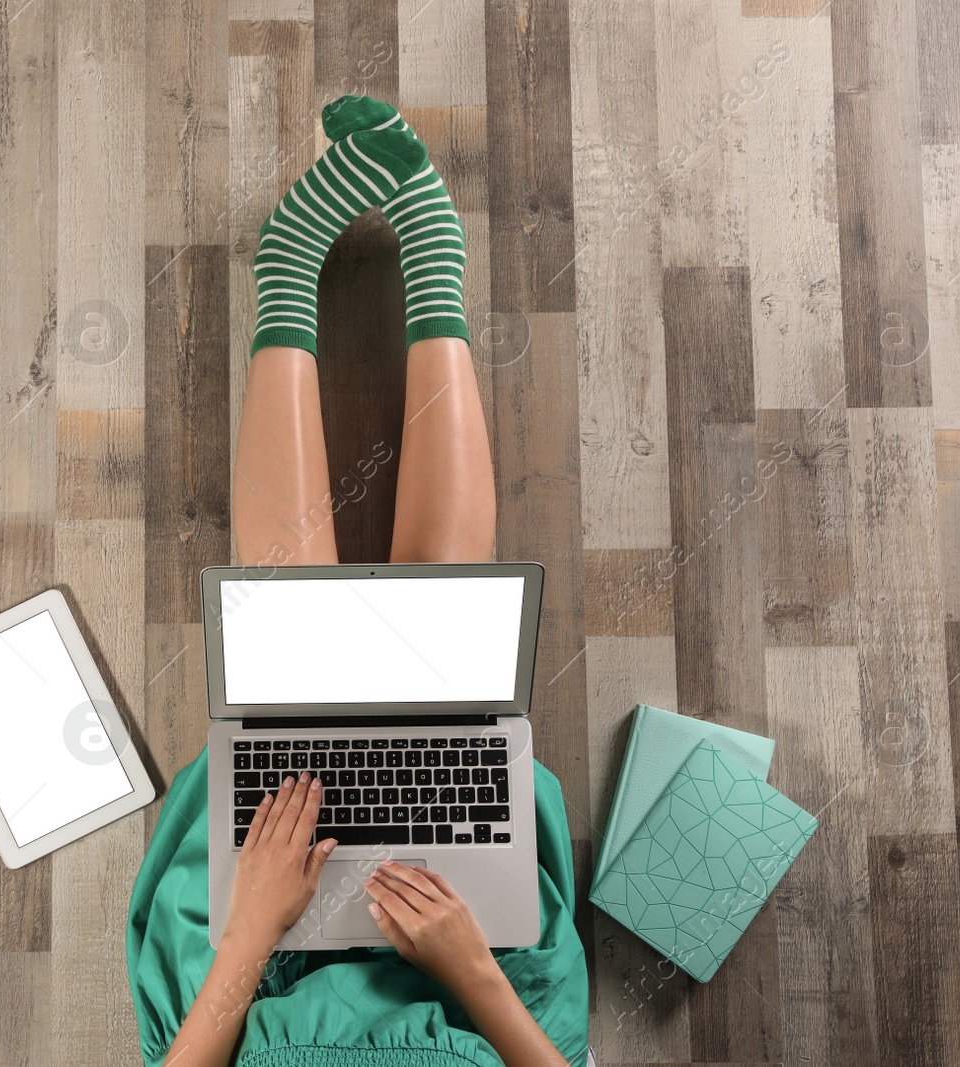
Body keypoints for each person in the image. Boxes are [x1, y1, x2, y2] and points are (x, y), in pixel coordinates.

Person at [126, 95, 590, 1067]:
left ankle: (291, 271)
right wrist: (473, 971)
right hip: (476, 1001)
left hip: (252, 993)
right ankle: (433, 268)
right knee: (442, 664)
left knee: (293, 667)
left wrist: (253, 932)